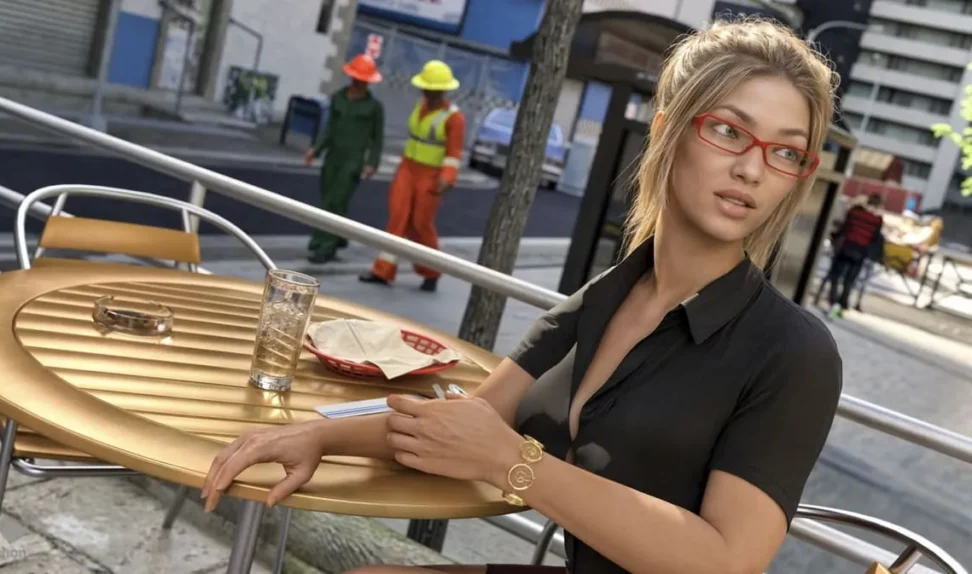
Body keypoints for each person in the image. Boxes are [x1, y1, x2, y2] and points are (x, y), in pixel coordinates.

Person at [202, 17, 843, 574]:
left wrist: (516, 462)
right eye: (729, 131)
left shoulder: (793, 352)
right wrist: (319, 437)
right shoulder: (609, 295)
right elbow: (472, 421)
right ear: (666, 129)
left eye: (787, 153)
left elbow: (728, 560)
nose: (753, 169)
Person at [358, 59, 465, 292]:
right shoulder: (421, 106)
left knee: (420, 224)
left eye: (432, 89)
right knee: (397, 217)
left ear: (442, 90)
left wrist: (448, 177)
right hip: (408, 168)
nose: (427, 93)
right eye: (426, 88)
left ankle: (431, 271)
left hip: (431, 175)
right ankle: (382, 271)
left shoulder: (454, 118)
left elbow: (454, 152)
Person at [304, 54, 385, 264]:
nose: (359, 83)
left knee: (335, 201)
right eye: (357, 78)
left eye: (363, 80)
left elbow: (377, 139)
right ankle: (338, 236)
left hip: (353, 160)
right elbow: (329, 128)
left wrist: (372, 162)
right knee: (328, 198)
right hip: (333, 156)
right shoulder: (338, 98)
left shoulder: (374, 107)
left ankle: (323, 246)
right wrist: (316, 150)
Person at [827, 193, 884, 318]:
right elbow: (875, 239)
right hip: (860, 253)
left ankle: (833, 302)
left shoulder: (855, 212)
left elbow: (844, 229)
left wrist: (835, 238)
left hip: (846, 248)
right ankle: (841, 305)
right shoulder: (877, 220)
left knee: (836, 276)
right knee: (849, 281)